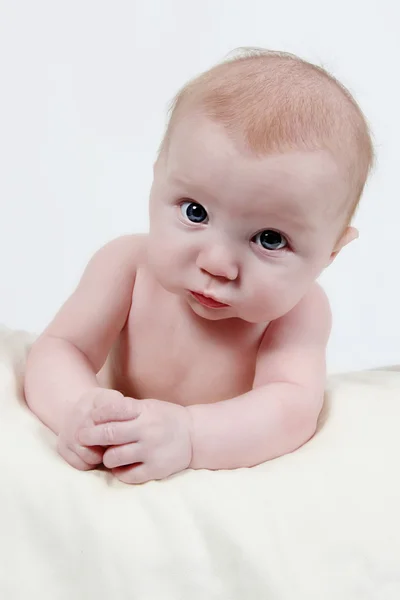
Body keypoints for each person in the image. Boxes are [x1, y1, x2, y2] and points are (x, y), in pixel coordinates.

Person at [24, 48, 374, 484]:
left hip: (211, 470)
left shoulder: (300, 311)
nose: (217, 264)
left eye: (270, 239)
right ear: (157, 178)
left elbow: (290, 409)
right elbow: (59, 349)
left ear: (331, 254)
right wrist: (79, 407)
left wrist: (190, 435)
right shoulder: (127, 265)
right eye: (195, 212)